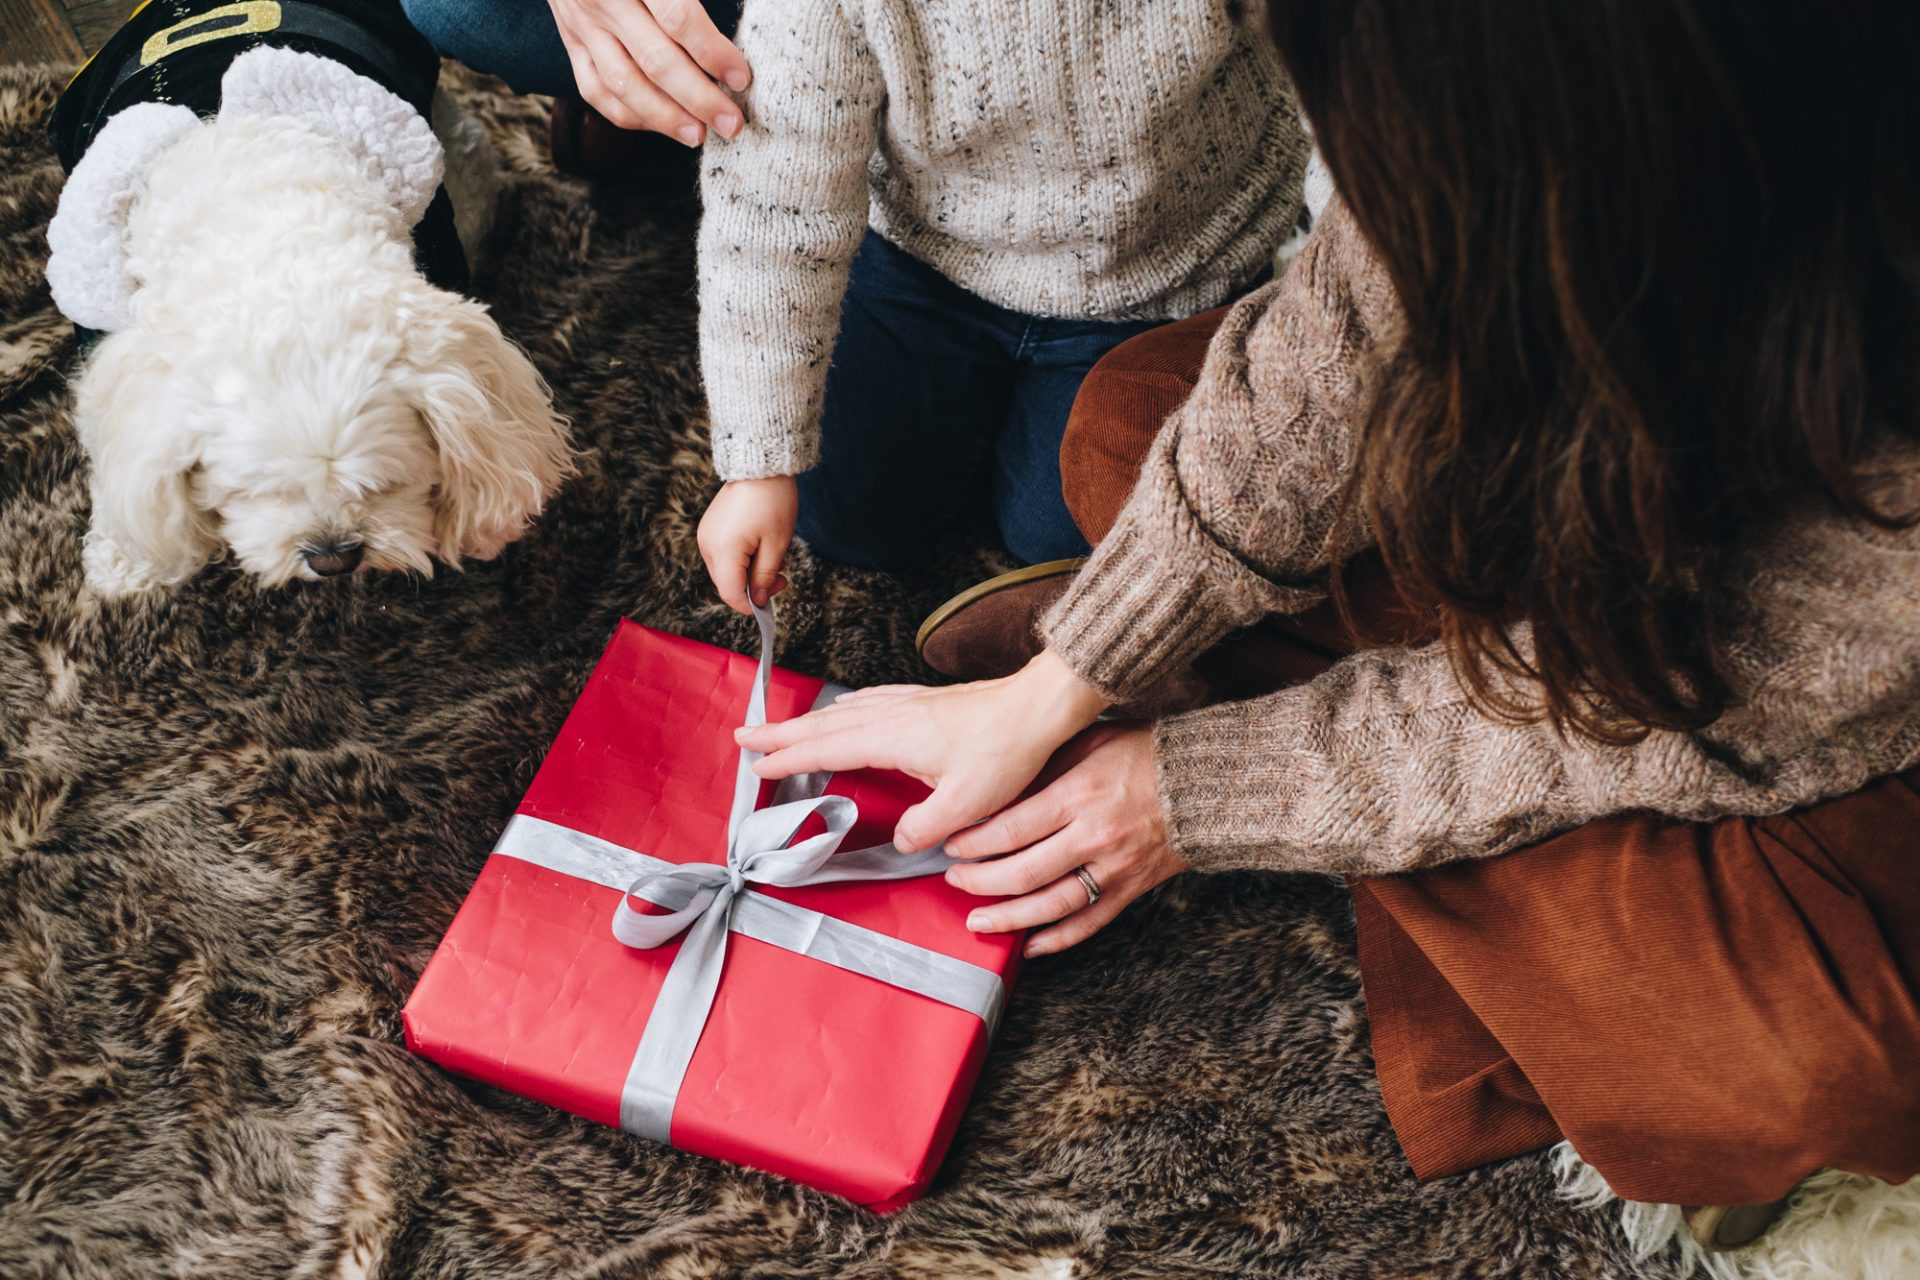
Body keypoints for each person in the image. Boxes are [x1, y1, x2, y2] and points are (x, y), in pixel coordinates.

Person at [735, 0, 1920, 1247]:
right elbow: (1341, 341)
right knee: (1128, 419)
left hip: (1769, 720)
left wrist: (1195, 791)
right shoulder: (1488, 73)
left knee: (1824, 1065)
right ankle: (1509, 916)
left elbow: (1646, 711)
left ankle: (1307, 743)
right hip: (1583, 522)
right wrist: (1068, 678)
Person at [691, 1, 1309, 613]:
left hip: (1163, 271)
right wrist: (759, 463)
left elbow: (1365, 79)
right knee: (846, 519)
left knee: (1063, 540)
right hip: (926, 251)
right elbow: (773, 200)